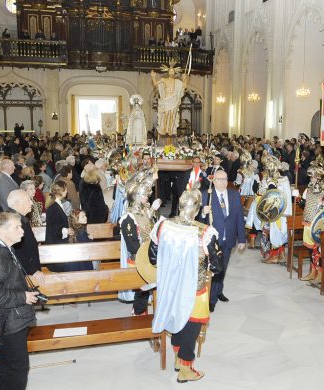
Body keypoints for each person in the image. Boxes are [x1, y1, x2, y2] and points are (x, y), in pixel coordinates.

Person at [147, 185, 222, 382]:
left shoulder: (163, 225)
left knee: (176, 318)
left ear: (180, 206)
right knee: (192, 325)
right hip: (194, 288)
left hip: (170, 285)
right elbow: (217, 266)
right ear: (197, 210)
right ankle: (186, 369)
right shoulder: (204, 232)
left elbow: (153, 258)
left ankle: (178, 359)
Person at [0, 212, 40, 390]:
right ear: (2, 231)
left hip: (10, 316)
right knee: (17, 367)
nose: (22, 231)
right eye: (17, 227)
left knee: (6, 365)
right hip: (7, 320)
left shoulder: (4, 249)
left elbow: (7, 282)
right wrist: (22, 297)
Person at [201, 169, 246, 312]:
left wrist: (242, 239)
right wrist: (203, 212)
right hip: (213, 241)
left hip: (229, 239)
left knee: (223, 268)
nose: (223, 182)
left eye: (225, 179)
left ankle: (219, 291)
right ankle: (211, 299)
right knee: (214, 270)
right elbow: (197, 220)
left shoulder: (234, 194)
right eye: (220, 179)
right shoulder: (206, 196)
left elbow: (239, 217)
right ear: (213, 181)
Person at [119, 168, 160, 313]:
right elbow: (132, 245)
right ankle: (138, 312)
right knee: (141, 290)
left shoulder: (143, 211)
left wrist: (153, 212)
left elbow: (147, 226)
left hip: (147, 255)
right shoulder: (128, 218)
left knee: (146, 288)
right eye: (144, 195)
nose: (147, 198)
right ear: (136, 196)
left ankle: (141, 310)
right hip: (137, 259)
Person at [245, 154, 292, 264]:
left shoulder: (275, 181)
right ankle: (281, 254)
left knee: (274, 233)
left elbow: (271, 196)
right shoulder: (284, 179)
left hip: (276, 211)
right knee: (279, 233)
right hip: (283, 211)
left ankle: (274, 256)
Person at [299, 162, 324, 283]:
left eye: (313, 176)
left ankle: (320, 273)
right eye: (310, 177)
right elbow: (304, 204)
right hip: (308, 222)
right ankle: (313, 271)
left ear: (319, 177)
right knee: (311, 250)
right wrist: (298, 199)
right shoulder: (308, 189)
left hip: (319, 226)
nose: (311, 179)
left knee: (319, 250)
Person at [8, 190, 44, 282]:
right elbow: (17, 252)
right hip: (24, 274)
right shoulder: (14, 222)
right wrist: (33, 271)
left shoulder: (19, 218)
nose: (32, 203)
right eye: (28, 200)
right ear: (18, 203)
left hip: (29, 271)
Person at [151, 59, 188, 136]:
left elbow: (184, 86)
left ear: (174, 73)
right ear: (168, 72)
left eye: (173, 71)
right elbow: (155, 84)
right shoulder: (163, 79)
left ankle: (170, 129)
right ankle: (164, 129)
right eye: (170, 71)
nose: (171, 72)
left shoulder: (177, 81)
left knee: (172, 115)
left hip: (173, 99)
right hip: (166, 99)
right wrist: (153, 77)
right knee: (166, 114)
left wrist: (185, 79)